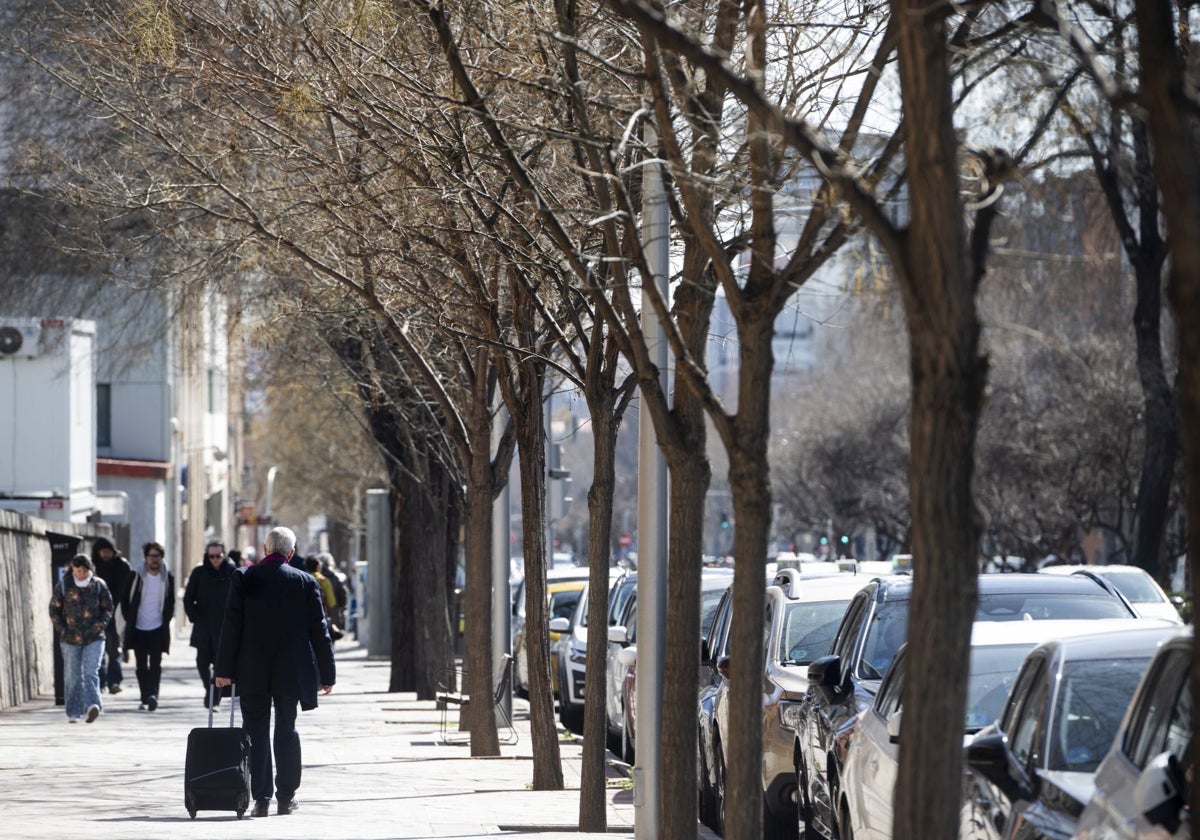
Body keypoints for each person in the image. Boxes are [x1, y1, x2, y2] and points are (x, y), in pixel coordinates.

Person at [215, 526, 335, 818]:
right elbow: (319, 631)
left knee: (254, 731)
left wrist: (223, 670)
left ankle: (262, 798)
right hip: (291, 671)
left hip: (252, 670)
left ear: (265, 549)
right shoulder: (306, 582)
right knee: (286, 729)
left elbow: (231, 625)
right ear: (291, 553)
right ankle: (286, 796)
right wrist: (327, 673)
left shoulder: (245, 578)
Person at [49, 554, 114, 723]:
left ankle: (93, 705)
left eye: (84, 570)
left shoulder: (99, 585)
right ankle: (74, 712)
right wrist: (62, 630)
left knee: (91, 672)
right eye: (78, 570)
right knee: (72, 676)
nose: (81, 574)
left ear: (89, 569)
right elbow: (54, 610)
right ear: (73, 569)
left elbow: (108, 608)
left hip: (95, 637)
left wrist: (99, 626)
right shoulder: (64, 586)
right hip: (70, 639)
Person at [122, 541, 176, 711]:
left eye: (158, 556)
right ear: (145, 558)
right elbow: (124, 599)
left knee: (155, 664)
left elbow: (170, 602)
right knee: (141, 666)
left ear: (162, 558)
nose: (154, 559)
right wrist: (129, 619)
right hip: (138, 628)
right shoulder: (135, 576)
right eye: (151, 556)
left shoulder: (167, 578)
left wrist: (166, 620)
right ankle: (144, 696)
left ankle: (153, 695)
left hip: (158, 628)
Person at [183, 541, 236, 707]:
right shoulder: (199, 573)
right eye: (211, 556)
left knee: (222, 666)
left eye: (218, 556)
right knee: (202, 662)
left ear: (224, 555)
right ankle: (209, 688)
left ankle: (216, 694)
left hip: (225, 628)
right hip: (204, 626)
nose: (215, 560)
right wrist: (194, 617)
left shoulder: (233, 573)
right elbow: (188, 598)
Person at [91, 536, 131, 695]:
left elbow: (126, 591)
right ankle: (100, 682)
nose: (106, 554)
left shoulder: (122, 566)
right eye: (103, 551)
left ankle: (114, 681)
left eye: (109, 551)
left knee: (114, 650)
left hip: (116, 613)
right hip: (97, 614)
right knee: (98, 651)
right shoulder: (93, 567)